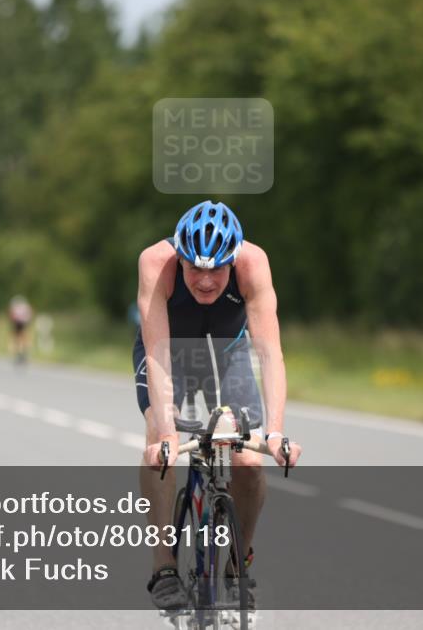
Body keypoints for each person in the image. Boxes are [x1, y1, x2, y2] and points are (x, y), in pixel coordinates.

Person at [134, 200, 303, 610]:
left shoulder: (252, 263)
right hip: (169, 350)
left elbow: (270, 354)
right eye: (195, 267)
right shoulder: (156, 262)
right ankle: (164, 567)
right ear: (181, 257)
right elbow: (157, 354)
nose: (206, 280)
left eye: (216, 269)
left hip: (228, 351)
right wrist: (169, 436)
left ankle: (236, 563)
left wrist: (276, 432)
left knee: (247, 459)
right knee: (160, 440)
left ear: (233, 259)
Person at [8, 295, 34, 364]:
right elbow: (30, 314)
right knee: (23, 337)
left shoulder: (15, 306)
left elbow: (11, 316)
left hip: (18, 323)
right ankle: (23, 352)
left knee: (17, 338)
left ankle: (19, 353)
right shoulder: (25, 306)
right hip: (23, 323)